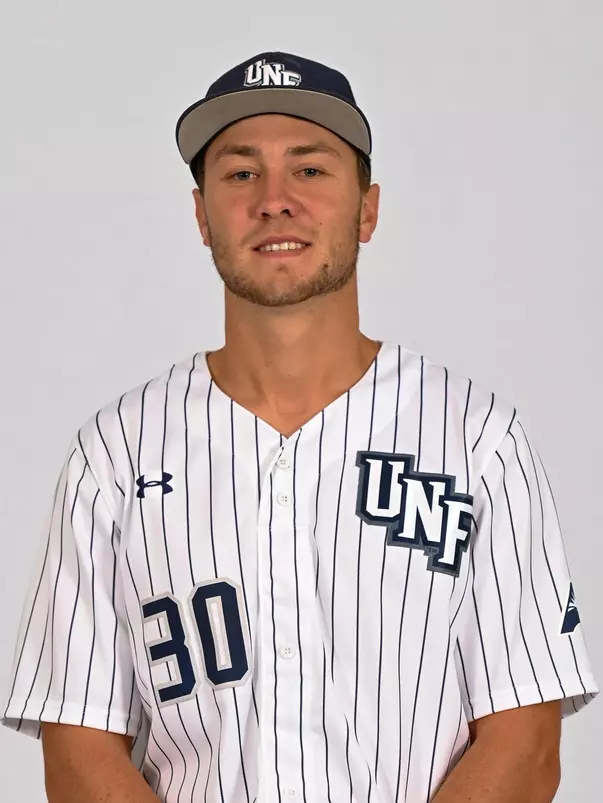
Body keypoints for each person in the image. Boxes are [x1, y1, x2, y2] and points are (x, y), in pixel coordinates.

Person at [1, 51, 598, 803]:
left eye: (310, 169)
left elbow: (525, 741)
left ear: (367, 209)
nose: (274, 200)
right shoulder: (114, 454)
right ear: (201, 213)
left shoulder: (477, 440)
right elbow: (79, 744)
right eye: (240, 172)